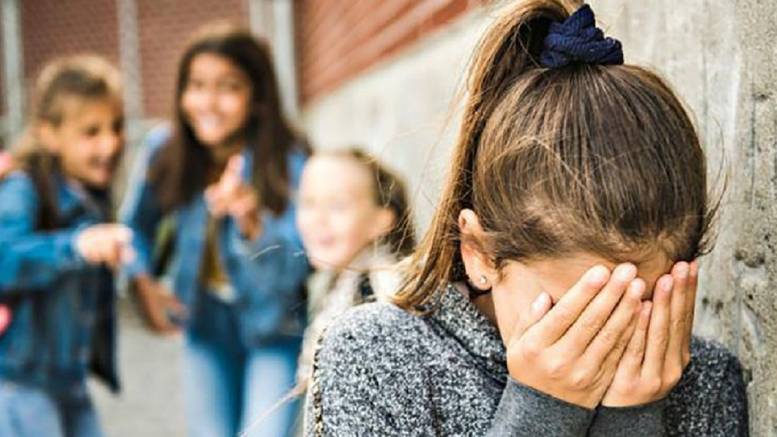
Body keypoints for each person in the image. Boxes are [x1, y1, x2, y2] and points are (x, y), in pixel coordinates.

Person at [305, 2, 749, 436]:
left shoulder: (703, 381)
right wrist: (543, 411)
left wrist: (633, 418)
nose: (603, 341)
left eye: (637, 306)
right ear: (478, 253)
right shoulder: (377, 356)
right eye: (572, 315)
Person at [121, 23, 310, 437]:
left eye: (228, 87)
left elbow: (295, 272)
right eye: (197, 85)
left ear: (257, 97)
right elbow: (134, 228)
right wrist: (140, 280)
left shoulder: (288, 160)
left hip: (273, 328)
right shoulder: (165, 151)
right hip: (204, 325)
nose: (208, 102)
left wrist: (251, 221)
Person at [0, 56, 129, 437]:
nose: (110, 143)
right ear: (50, 134)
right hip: (22, 380)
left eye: (116, 127)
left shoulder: (92, 196)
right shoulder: (23, 188)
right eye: (91, 132)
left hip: (69, 380)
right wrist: (76, 246)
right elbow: (5, 258)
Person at [295, 148, 415, 387]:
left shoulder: (382, 295)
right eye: (308, 203)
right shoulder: (339, 286)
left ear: (381, 220)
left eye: (338, 205)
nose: (318, 219)